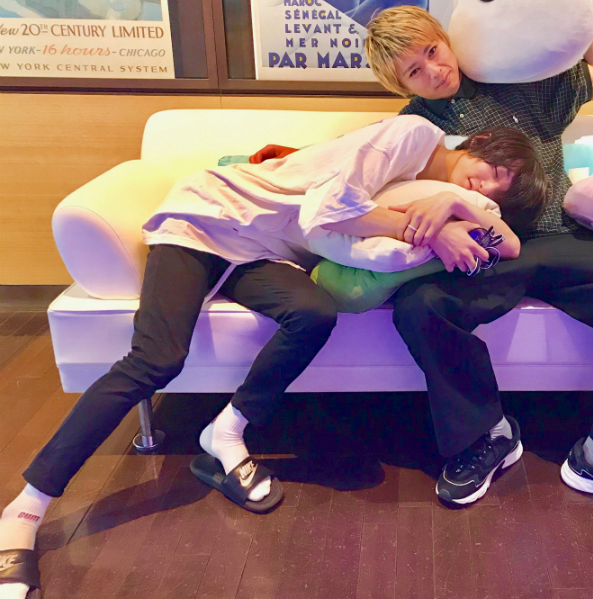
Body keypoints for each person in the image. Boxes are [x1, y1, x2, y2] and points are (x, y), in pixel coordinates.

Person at [0, 116, 545, 598]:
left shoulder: (432, 189)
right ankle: (25, 510)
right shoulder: (414, 134)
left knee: (315, 313)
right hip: (210, 216)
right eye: (495, 169)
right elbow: (328, 208)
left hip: (261, 251)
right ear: (479, 141)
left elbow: (510, 244)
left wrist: (453, 207)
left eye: (501, 190)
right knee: (157, 360)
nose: (488, 186)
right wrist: (428, 228)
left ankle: (226, 431)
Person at [252, 0, 593, 520]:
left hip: (558, 234)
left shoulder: (521, 81)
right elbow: (371, 188)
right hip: (478, 249)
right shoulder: (412, 125)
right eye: (414, 71)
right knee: (420, 308)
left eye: (432, 52)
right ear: (400, 86)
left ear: (446, 38)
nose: (434, 71)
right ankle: (487, 435)